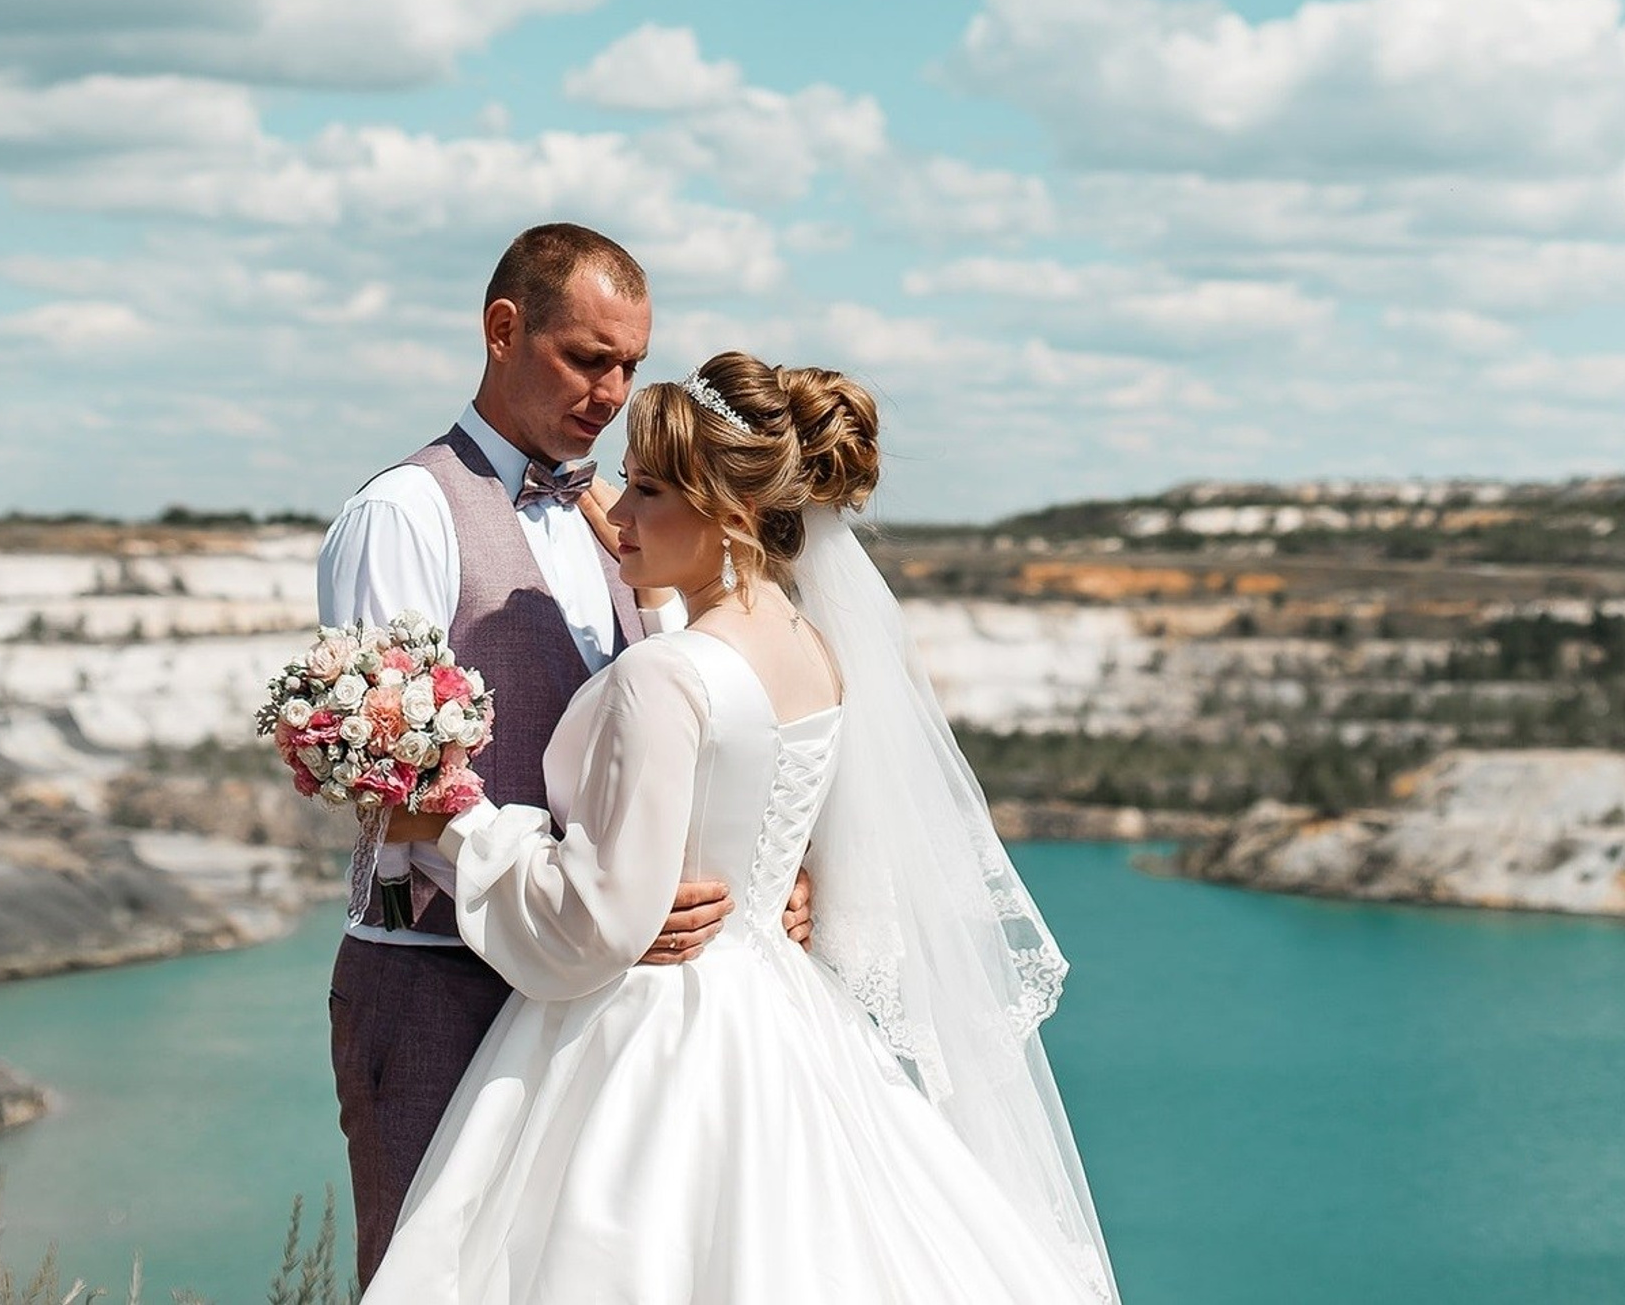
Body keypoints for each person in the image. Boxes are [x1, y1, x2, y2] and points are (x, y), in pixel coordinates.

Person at [363, 351, 1122, 1304]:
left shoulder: (665, 676)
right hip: (786, 1015)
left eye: (644, 491)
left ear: (724, 514)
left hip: (653, 1036)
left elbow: (595, 926)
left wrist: (450, 824)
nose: (618, 516)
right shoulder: (813, 648)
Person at [319, 229, 815, 1291]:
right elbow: (390, 785)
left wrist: (765, 873)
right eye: (588, 358)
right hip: (442, 987)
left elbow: (708, 725)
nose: (613, 389)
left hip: (617, 1017)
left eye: (631, 363)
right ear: (504, 330)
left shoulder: (624, 520)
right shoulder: (405, 514)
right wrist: (596, 919)